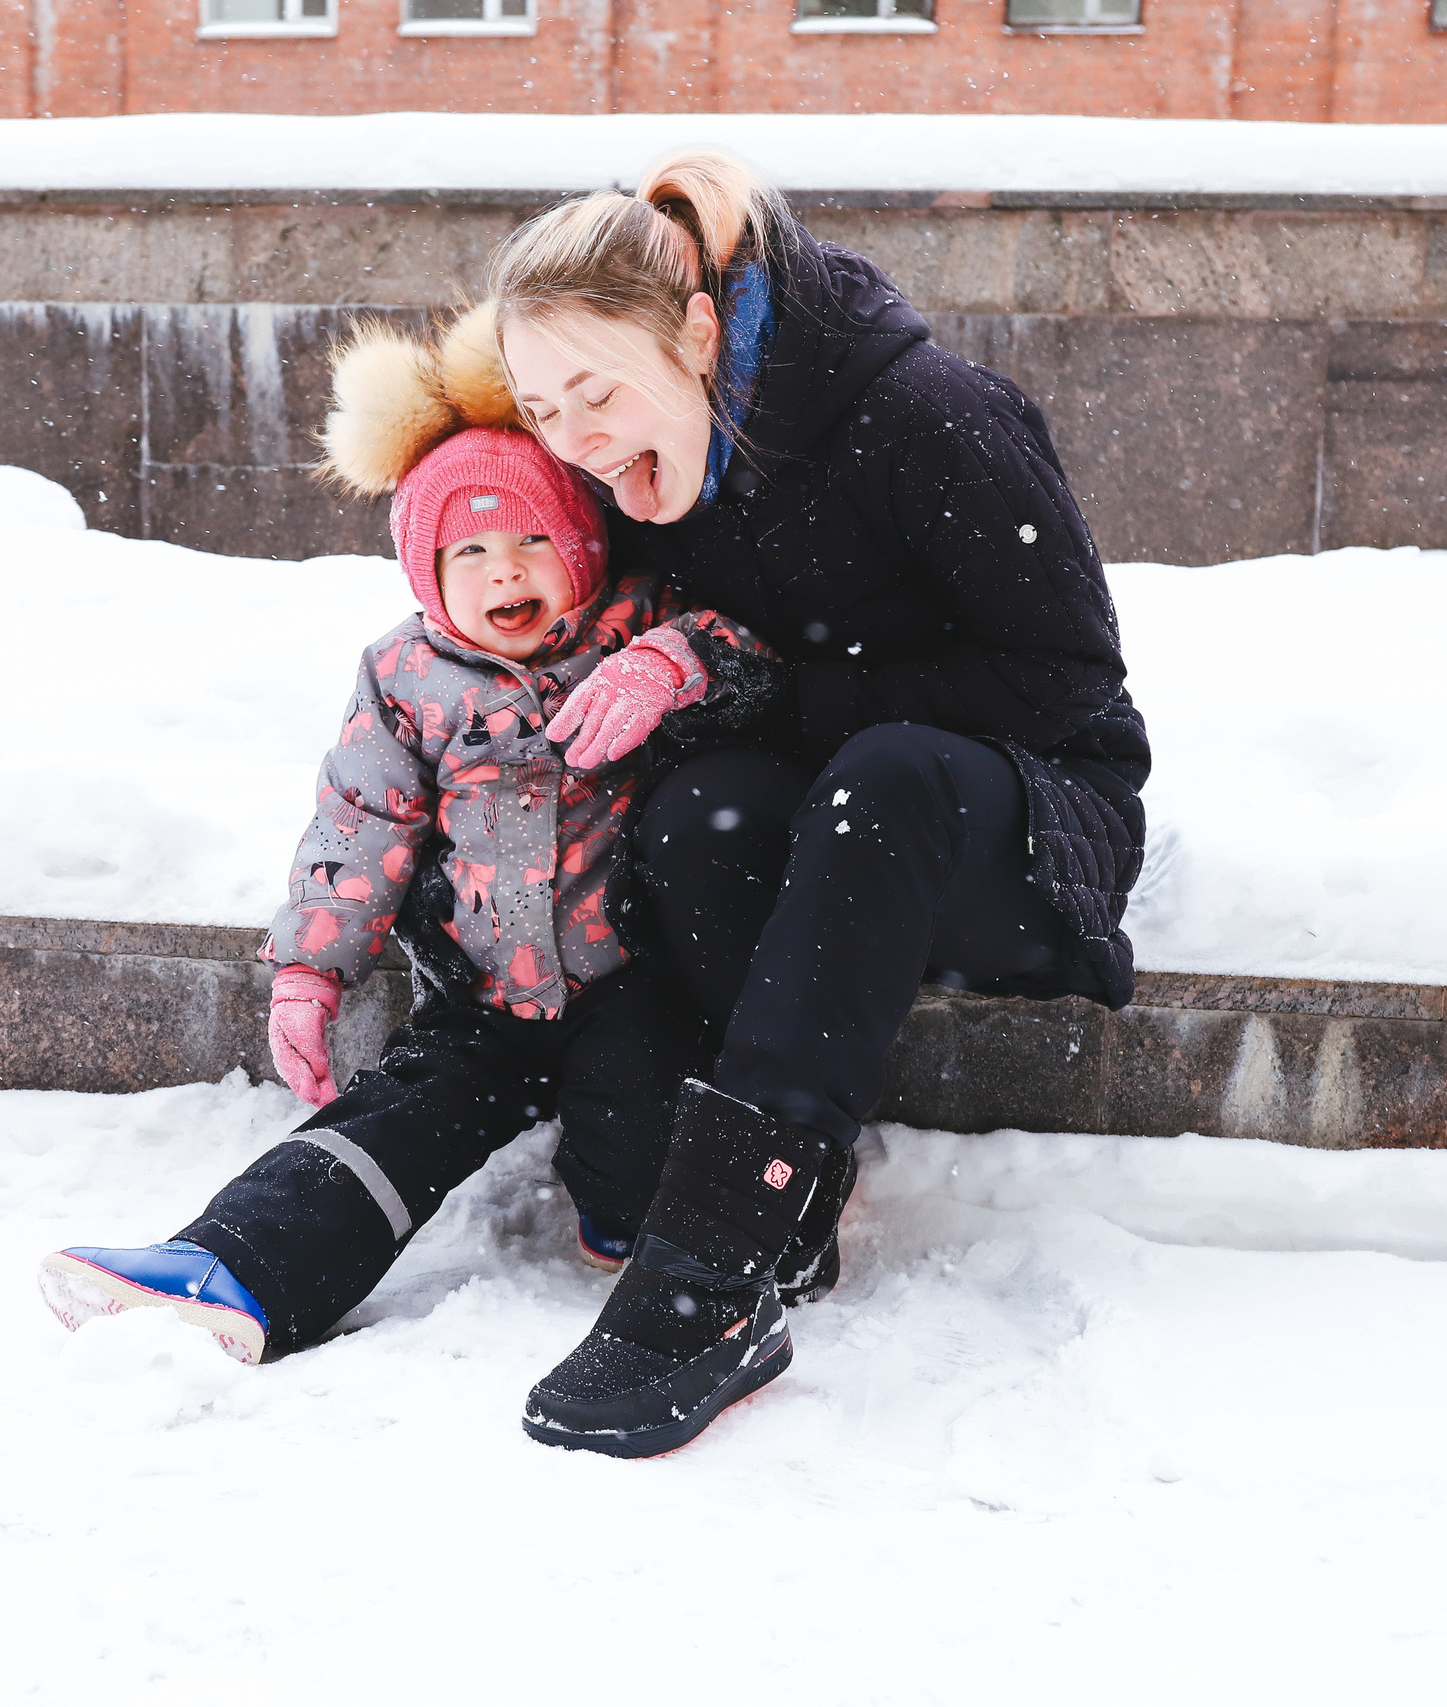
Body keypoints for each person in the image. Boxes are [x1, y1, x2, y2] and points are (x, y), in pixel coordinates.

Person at [481, 150, 1154, 1457]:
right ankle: (797, 1210)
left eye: (595, 394)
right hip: (843, 832)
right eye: (542, 407)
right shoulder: (656, 464)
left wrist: (795, 698)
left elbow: (1064, 677)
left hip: (1027, 820)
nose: (574, 439)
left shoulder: (926, 416)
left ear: (695, 331)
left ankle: (715, 1264)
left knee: (882, 775)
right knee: (697, 815)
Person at [35, 316, 795, 1366]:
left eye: (533, 539)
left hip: (627, 982)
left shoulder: (639, 622)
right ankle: (234, 1265)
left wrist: (670, 663)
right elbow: (360, 820)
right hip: (478, 995)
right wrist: (309, 968)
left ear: (581, 544)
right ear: (425, 573)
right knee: (391, 1121)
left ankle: (624, 1217)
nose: (504, 571)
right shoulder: (406, 677)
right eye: (468, 551)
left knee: (640, 1128)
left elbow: (751, 656)